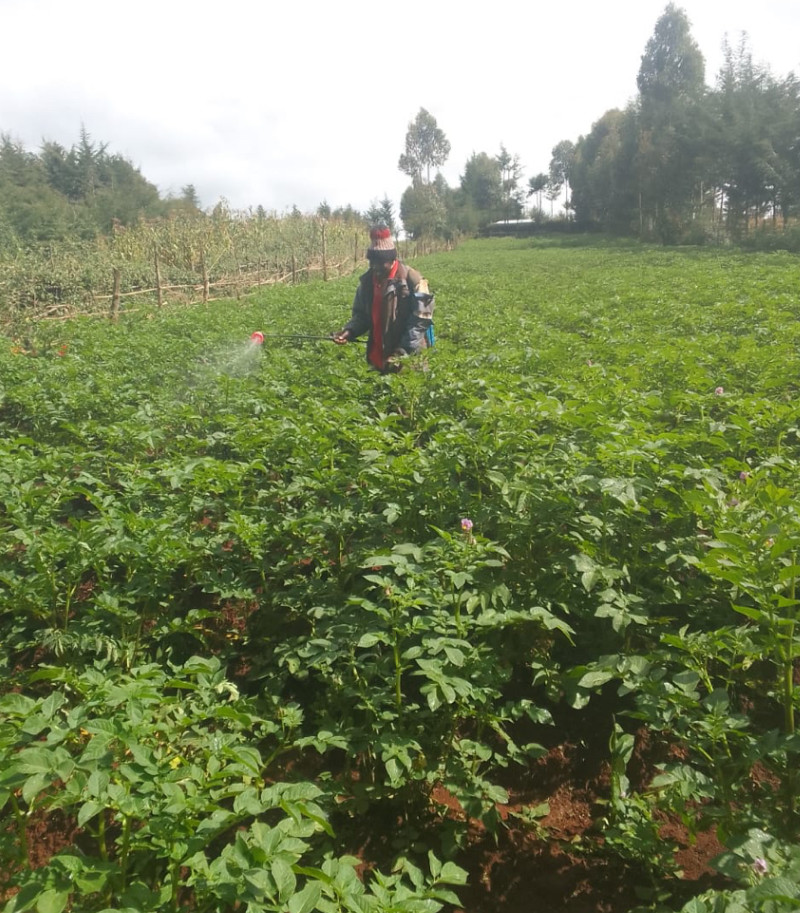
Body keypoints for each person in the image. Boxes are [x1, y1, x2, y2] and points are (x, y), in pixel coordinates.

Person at [333, 225, 434, 373]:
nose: (376, 267)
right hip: (379, 358)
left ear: (392, 259)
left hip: (409, 361)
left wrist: (402, 352)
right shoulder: (367, 282)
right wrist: (349, 331)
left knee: (408, 386)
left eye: (381, 262)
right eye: (372, 262)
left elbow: (420, 321)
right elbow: (361, 315)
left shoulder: (413, 280)